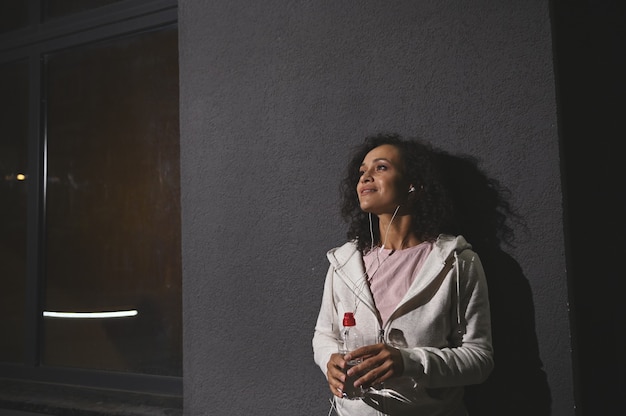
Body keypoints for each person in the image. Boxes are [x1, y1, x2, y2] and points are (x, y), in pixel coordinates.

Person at [312, 133, 494, 416]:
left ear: (414, 186)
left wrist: (408, 362)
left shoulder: (456, 263)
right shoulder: (344, 263)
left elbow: (479, 359)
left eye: (381, 167)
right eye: (362, 172)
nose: (365, 177)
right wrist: (328, 361)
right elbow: (324, 334)